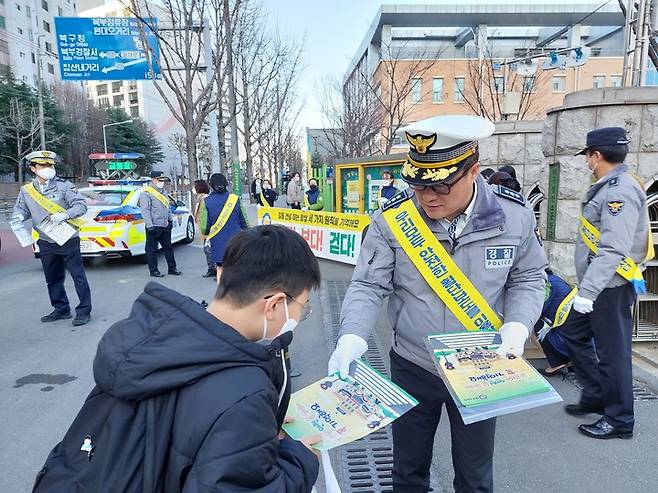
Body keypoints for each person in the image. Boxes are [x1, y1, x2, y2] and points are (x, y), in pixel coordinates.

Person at [328, 115, 547, 492]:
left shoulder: (514, 217)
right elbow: (367, 284)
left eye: (442, 186)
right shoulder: (393, 221)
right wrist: (352, 335)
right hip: (414, 364)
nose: (428, 197)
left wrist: (517, 326)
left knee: (475, 477)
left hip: (482, 367)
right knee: (408, 474)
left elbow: (528, 277)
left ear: (473, 171)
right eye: (418, 184)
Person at [34, 225, 321, 491]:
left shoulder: (148, 335)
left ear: (223, 275)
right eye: (302, 307)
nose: (299, 317)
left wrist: (256, 434)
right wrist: (300, 459)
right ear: (274, 304)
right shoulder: (245, 392)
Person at [561, 127, 653, 440]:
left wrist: (587, 293)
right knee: (572, 332)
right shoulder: (609, 186)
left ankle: (619, 420)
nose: (587, 162)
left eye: (588, 155)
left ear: (597, 156)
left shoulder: (619, 190)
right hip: (598, 286)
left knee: (613, 354)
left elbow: (613, 247)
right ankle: (596, 394)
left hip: (609, 287)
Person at [12, 150, 92, 326]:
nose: (48, 168)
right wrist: (18, 217)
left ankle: (84, 310)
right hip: (45, 240)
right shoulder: (27, 190)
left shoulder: (64, 186)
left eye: (50, 165)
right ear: (33, 169)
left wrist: (65, 215)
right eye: (43, 165)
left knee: (78, 276)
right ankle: (61, 308)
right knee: (52, 277)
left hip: (67, 238)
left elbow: (81, 205)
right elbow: (21, 209)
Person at [199, 173, 248, 278]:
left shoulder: (206, 202)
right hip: (236, 241)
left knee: (220, 268)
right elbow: (245, 222)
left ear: (211, 185)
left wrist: (207, 233)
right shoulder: (235, 199)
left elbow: (204, 227)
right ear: (226, 183)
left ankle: (222, 293)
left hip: (218, 241)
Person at [533, 270, 582, 376]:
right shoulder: (553, 279)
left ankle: (557, 364)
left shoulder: (540, 283)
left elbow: (538, 305)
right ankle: (571, 361)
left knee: (534, 327)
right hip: (572, 312)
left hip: (557, 316)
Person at [139, 171, 181, 278]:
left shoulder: (164, 193)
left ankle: (172, 268)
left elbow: (168, 208)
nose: (161, 182)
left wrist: (170, 220)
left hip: (165, 225)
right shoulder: (146, 193)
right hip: (154, 226)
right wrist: (150, 225)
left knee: (168, 248)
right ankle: (153, 270)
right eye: (159, 179)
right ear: (153, 179)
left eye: (162, 180)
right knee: (152, 250)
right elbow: (145, 210)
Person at [192, 179, 216, 278]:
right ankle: (212, 268)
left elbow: (205, 215)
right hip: (204, 228)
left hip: (208, 229)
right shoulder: (200, 198)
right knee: (208, 249)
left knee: (209, 249)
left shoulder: (205, 199)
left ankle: (213, 269)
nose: (193, 189)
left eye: (194, 186)